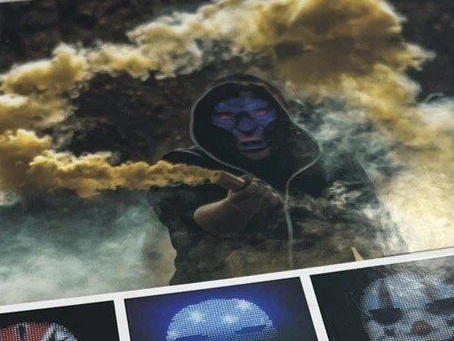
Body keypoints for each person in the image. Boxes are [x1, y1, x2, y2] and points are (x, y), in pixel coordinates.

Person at [148, 75, 402, 283]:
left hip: (328, 290)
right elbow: (193, 221)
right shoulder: (183, 165)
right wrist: (234, 207)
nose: (246, 127)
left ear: (285, 114)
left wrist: (404, 282)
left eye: (260, 112)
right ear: (209, 122)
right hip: (224, 303)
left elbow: (374, 228)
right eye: (226, 116)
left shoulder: (327, 158)